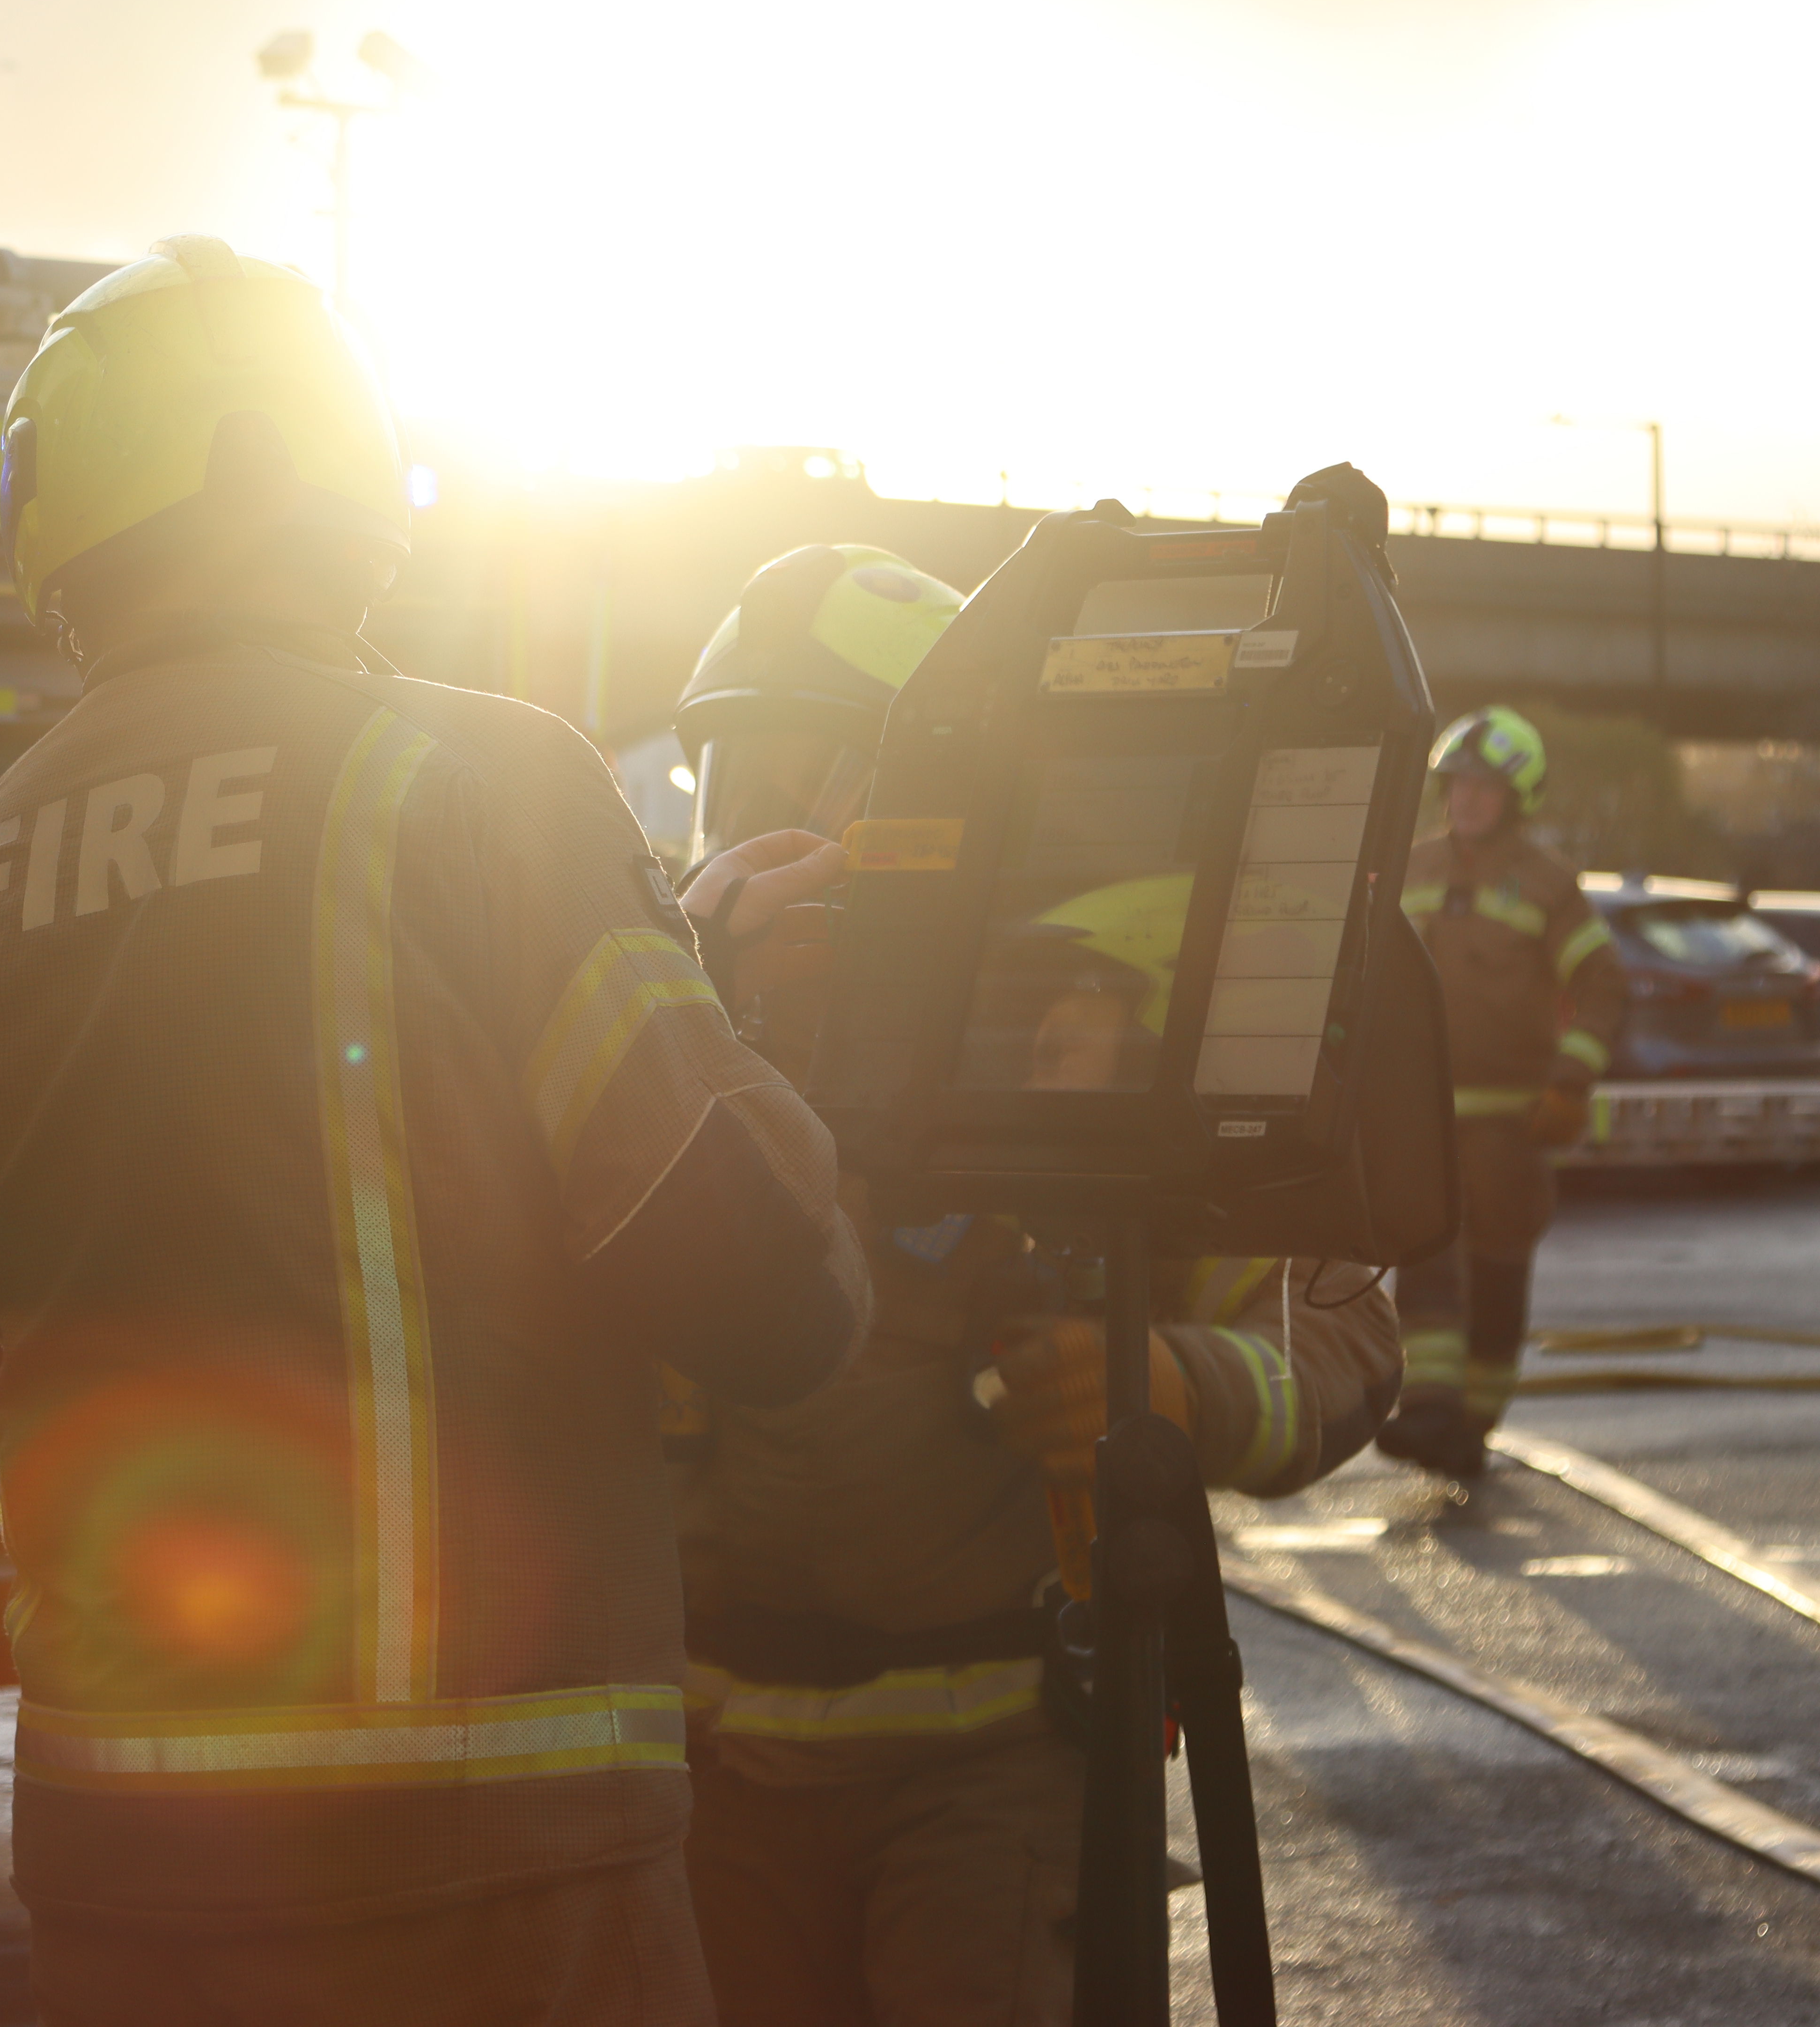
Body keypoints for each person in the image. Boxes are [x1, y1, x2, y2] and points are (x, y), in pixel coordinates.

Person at [0, 236, 871, 2025]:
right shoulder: (473, 778)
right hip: (479, 1829)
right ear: (295, 465)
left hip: (122, 1840)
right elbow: (757, 1285)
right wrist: (741, 1029)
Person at [663, 539, 1406, 2027]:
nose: (749, 839)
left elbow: (1336, 1335)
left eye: (794, 778)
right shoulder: (667, 1039)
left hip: (990, 1773)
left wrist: (1176, 1392)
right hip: (705, 1773)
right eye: (727, 785)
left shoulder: (1073, 1031)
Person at [1374, 704, 1625, 1480]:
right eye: (1458, 786)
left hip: (1511, 1127)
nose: (1467, 800)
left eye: (1485, 788)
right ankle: (1429, 1407)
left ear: (1517, 798)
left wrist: (1571, 1079)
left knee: (1496, 1270)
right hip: (1422, 1118)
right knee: (1423, 1263)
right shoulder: (1409, 868)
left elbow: (1604, 985)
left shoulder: (1548, 886)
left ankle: (1472, 1425)